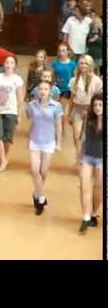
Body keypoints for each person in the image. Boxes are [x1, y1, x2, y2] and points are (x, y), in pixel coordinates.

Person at [27, 81, 63, 215]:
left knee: (43, 172)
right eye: (41, 89)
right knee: (34, 169)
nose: (43, 91)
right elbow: (31, 122)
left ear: (50, 91)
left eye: (46, 89)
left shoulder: (57, 106)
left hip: (48, 142)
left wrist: (59, 142)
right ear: (37, 91)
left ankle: (37, 192)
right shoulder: (31, 106)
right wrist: (28, 137)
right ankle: (41, 199)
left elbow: (59, 125)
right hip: (35, 141)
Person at [0, 55, 25, 172]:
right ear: (3, 64)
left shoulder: (18, 79)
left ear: (14, 65)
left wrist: (19, 113)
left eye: (11, 63)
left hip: (11, 110)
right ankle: (3, 159)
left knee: (8, 138)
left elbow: (20, 98)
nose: (9, 65)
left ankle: (4, 157)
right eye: (7, 62)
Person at [67, 55, 103, 164]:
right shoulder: (74, 80)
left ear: (90, 65)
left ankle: (88, 157)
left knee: (89, 136)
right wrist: (69, 113)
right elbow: (72, 98)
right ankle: (79, 159)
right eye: (81, 63)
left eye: (86, 63)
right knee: (76, 135)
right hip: (78, 109)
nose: (83, 65)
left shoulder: (96, 80)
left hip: (91, 110)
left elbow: (99, 98)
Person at [77, 94, 102, 234]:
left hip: (102, 159)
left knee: (98, 189)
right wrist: (78, 157)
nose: (98, 108)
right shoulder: (88, 119)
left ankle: (93, 213)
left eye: (100, 105)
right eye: (96, 105)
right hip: (87, 157)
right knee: (84, 187)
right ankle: (85, 217)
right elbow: (82, 139)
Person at [52, 43, 77, 132]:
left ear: (67, 52)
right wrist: (51, 85)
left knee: (61, 108)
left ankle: (61, 128)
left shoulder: (72, 63)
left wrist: (75, 87)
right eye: (60, 51)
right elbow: (53, 75)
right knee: (55, 108)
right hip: (57, 88)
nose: (61, 53)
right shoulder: (55, 63)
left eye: (63, 51)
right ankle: (56, 126)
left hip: (66, 89)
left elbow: (74, 76)